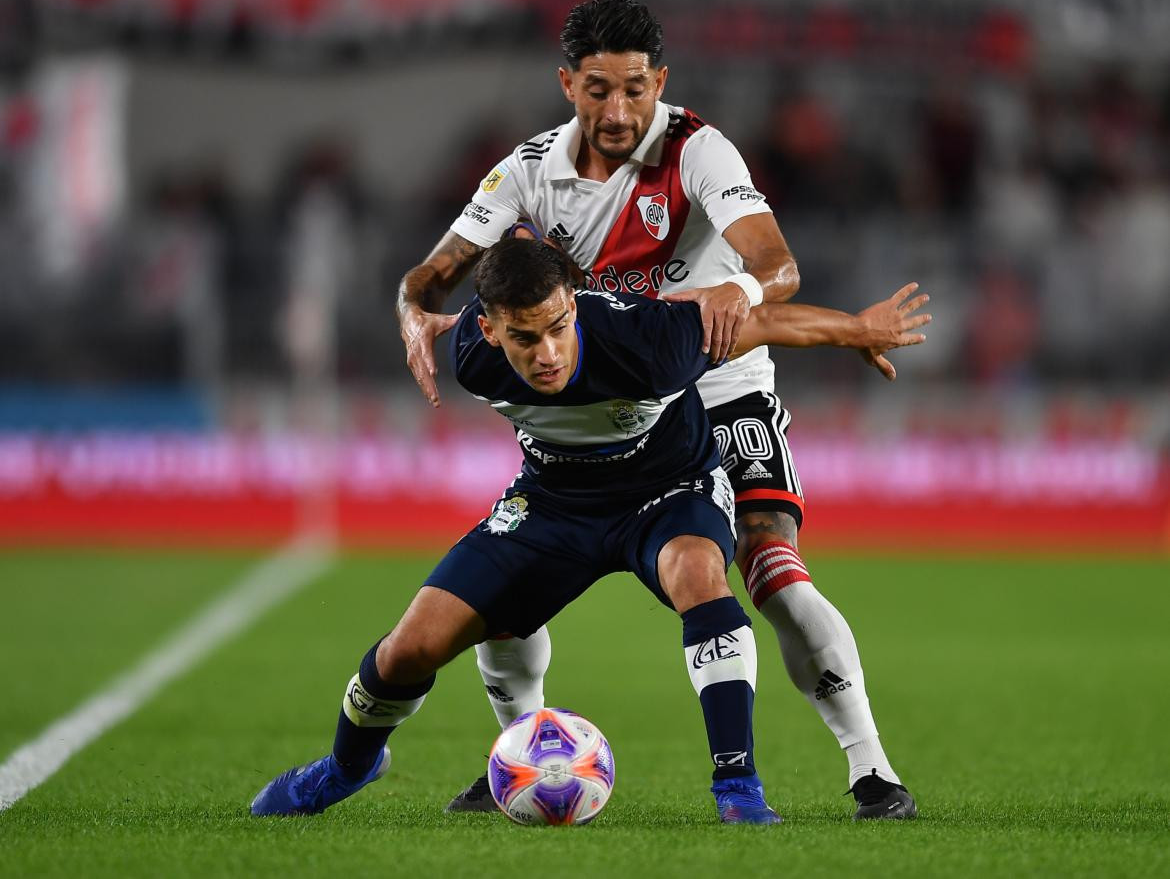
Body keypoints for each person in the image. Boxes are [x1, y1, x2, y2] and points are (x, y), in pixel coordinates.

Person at [399, 0, 922, 820]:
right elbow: (430, 278)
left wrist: (737, 293)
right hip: (608, 390)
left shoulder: (699, 152)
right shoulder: (529, 169)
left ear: (660, 81)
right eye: (600, 90)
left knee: (772, 569)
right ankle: (526, 751)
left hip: (716, 377)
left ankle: (871, 770)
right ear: (567, 83)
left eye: (637, 90)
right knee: (512, 587)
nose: (620, 111)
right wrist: (413, 316)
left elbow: (778, 266)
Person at [252, 238, 927, 824]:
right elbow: (445, 318)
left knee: (698, 575)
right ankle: (346, 769)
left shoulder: (648, 340)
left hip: (669, 495)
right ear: (488, 330)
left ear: (574, 303)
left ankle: (738, 785)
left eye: (557, 326)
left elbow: (765, 321)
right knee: (407, 651)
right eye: (524, 337)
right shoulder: (471, 355)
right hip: (552, 505)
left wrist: (857, 328)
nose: (546, 352)